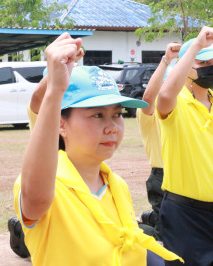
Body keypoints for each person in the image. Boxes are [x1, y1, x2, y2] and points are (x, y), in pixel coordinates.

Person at [13, 33, 183, 265]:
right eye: (97, 115)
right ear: (61, 124)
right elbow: (35, 199)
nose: (112, 127)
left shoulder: (117, 186)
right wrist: (54, 88)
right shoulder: (51, 187)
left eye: (117, 114)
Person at [156, 26, 213, 265]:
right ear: (186, 67)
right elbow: (164, 96)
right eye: (202, 62)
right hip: (185, 215)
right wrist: (196, 46)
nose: (209, 66)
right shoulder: (177, 102)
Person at [136, 43, 181, 241]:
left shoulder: (184, 109)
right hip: (162, 177)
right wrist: (166, 61)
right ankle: (135, 228)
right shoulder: (149, 112)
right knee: (165, 237)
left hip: (183, 175)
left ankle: (152, 217)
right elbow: (147, 98)